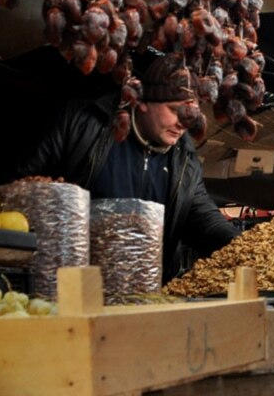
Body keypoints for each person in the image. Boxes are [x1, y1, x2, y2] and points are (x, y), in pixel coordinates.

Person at [19, 52, 238, 282]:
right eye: (174, 111)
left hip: (143, 299)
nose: (183, 124)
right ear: (143, 102)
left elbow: (204, 220)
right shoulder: (83, 125)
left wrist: (242, 244)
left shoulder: (184, 160)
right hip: (70, 289)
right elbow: (20, 187)